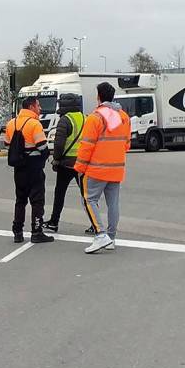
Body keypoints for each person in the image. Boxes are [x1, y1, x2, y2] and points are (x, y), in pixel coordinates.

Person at [75, 82, 132, 254]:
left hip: (97, 168)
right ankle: (111, 238)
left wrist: (80, 167)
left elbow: (87, 145)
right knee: (113, 203)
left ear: (98, 96)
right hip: (116, 168)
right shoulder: (123, 117)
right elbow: (127, 144)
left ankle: (101, 235)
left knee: (89, 200)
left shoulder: (96, 117)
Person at [44, 93, 95, 234]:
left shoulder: (65, 120)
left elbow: (59, 144)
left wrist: (56, 160)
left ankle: (54, 222)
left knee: (59, 193)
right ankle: (94, 223)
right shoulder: (87, 119)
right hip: (83, 163)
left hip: (66, 164)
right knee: (87, 195)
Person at [5, 96, 53, 244]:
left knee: (20, 199)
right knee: (37, 200)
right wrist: (44, 157)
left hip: (19, 167)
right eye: (38, 106)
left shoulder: (11, 123)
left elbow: (7, 144)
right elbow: (42, 146)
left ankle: (17, 231)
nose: (40, 109)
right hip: (34, 166)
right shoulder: (34, 124)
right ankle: (37, 231)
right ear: (32, 107)